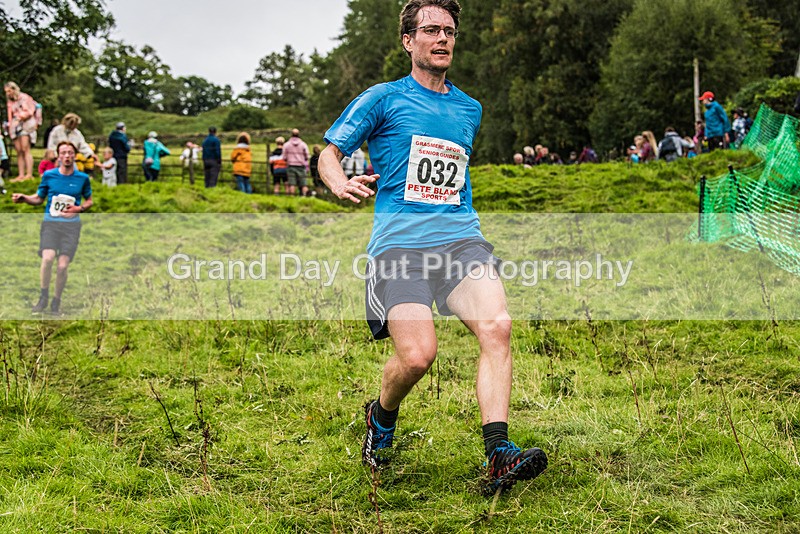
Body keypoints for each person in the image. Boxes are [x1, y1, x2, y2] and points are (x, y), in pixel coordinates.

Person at [318, 0, 547, 495]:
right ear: (408, 41)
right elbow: (329, 153)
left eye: (449, 31)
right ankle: (381, 416)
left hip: (462, 241)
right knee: (419, 357)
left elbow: (453, 177)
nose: (442, 39)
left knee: (498, 326)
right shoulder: (382, 99)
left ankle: (498, 456)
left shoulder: (469, 109)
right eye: (431, 30)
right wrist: (338, 182)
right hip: (399, 248)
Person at [12, 141, 93, 315]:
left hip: (71, 227)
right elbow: (39, 198)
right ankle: (43, 297)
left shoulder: (82, 178)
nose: (67, 156)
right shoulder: (49, 176)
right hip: (51, 223)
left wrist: (79, 209)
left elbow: (89, 201)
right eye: (63, 152)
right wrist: (25, 198)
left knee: (62, 266)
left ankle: (56, 301)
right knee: (48, 258)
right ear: (58, 156)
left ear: (75, 155)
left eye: (70, 153)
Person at [4, 81, 37, 182]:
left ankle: (29, 174)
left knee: (25, 149)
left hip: (25, 125)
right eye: (6, 92)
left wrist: (20, 116)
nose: (8, 94)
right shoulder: (10, 102)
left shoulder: (25, 98)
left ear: (14, 89)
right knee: (18, 151)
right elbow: (10, 115)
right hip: (15, 126)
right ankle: (21, 174)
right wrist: (10, 125)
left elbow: (30, 111)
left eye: (9, 91)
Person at [282, 128, 310, 196]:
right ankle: (305, 198)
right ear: (298, 135)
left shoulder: (286, 145)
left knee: (292, 184)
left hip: (291, 166)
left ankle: (292, 198)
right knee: (303, 184)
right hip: (301, 166)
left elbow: (284, 157)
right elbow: (307, 156)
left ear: (291, 134)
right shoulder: (303, 144)